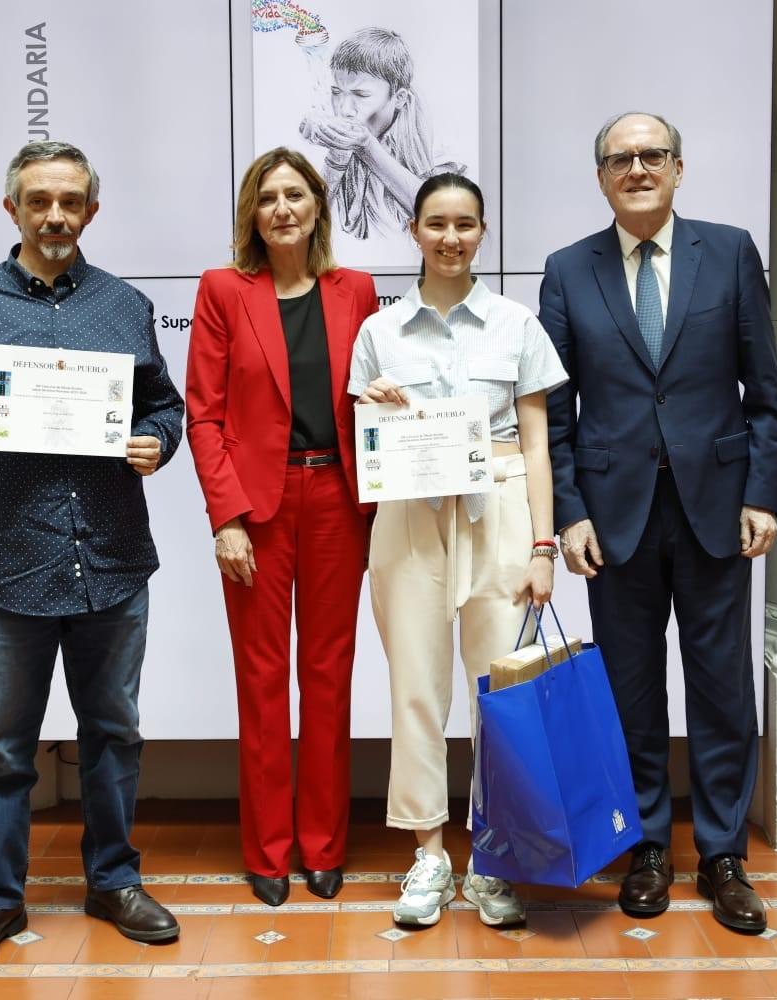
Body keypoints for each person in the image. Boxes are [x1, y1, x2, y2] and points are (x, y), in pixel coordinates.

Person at [0, 140, 185, 975]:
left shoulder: (124, 305)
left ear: (91, 210)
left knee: (114, 734)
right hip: (7, 563)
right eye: (38, 200)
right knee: (3, 745)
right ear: (11, 208)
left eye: (70, 201)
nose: (54, 215)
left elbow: (166, 406)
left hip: (112, 559)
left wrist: (154, 443)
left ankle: (113, 882)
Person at [540, 112, 777, 935]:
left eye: (653, 156)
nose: (638, 168)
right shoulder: (568, 270)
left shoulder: (729, 251)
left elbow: (765, 390)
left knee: (722, 687)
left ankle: (722, 854)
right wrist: (568, 512)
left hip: (719, 510)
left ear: (679, 168)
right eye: (621, 158)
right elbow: (558, 415)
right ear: (602, 175)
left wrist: (763, 493)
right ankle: (648, 845)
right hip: (615, 518)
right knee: (630, 690)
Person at [351, 173, 567, 929]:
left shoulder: (517, 325)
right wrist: (377, 413)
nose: (451, 237)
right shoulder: (380, 332)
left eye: (465, 224)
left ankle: (493, 858)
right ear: (413, 230)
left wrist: (543, 545)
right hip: (409, 517)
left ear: (482, 232)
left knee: (499, 698)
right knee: (415, 689)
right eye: (436, 223)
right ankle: (428, 856)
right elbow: (365, 446)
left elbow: (539, 445)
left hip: (501, 509)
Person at [185, 147, 378, 907]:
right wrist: (226, 516)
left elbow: (372, 392)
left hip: (338, 499)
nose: (283, 208)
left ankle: (323, 845)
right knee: (262, 681)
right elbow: (204, 413)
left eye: (296, 194)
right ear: (251, 214)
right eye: (268, 198)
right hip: (257, 512)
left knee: (329, 677)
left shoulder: (355, 289)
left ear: (319, 206)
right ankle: (268, 850)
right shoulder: (223, 291)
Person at [299, 27, 462, 239]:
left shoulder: (436, 140)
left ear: (399, 98)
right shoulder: (341, 128)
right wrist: (337, 157)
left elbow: (439, 214)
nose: (344, 109)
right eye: (337, 92)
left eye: (361, 94)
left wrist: (367, 147)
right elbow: (308, 230)